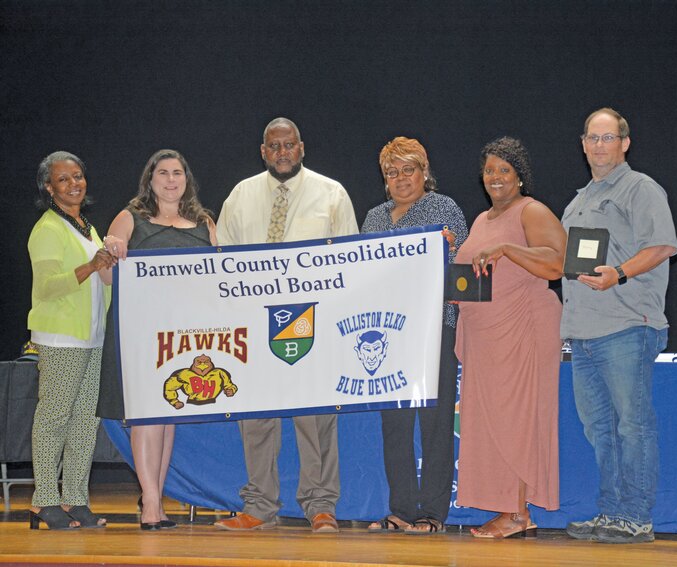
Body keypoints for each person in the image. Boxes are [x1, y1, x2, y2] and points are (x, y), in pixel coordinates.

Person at [214, 117, 357, 533]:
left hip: (312, 322)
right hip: (253, 325)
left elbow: (349, 262)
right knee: (256, 418)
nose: (282, 152)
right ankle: (259, 505)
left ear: (302, 147)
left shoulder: (331, 194)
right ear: (263, 152)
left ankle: (321, 506)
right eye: (273, 146)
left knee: (315, 420)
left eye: (288, 145)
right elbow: (222, 262)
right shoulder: (241, 195)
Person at [561, 108, 677, 544]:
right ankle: (611, 511)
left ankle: (636, 516)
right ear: (583, 143)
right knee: (600, 429)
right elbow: (563, 259)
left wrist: (620, 273)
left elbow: (664, 245)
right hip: (583, 331)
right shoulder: (579, 200)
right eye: (592, 137)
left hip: (627, 324)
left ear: (625, 143)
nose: (599, 145)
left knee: (633, 424)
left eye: (608, 138)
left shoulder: (640, 188)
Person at [97, 149, 217, 530]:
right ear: (150, 180)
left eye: (177, 173)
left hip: (185, 336)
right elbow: (106, 277)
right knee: (148, 417)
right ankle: (150, 504)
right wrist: (109, 255)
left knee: (167, 417)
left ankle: (156, 499)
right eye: (162, 173)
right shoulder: (130, 219)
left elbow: (220, 278)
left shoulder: (203, 223)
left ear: (187, 180)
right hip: (141, 333)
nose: (170, 180)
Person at [454, 137, 565, 539]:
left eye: (504, 169)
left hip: (523, 332)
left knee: (518, 421)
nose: (495, 177)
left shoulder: (531, 211)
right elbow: (475, 274)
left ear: (520, 175)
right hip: (486, 339)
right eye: (489, 170)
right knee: (491, 424)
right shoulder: (482, 220)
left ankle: (518, 514)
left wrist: (508, 249)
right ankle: (509, 508)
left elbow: (557, 263)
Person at [361, 137, 468, 535]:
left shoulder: (444, 209)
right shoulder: (373, 218)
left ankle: (433, 513)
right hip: (387, 333)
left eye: (409, 169)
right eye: (392, 172)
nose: (401, 178)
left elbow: (462, 267)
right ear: (384, 180)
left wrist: (447, 250)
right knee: (396, 424)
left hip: (435, 327)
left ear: (425, 172)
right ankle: (402, 508)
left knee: (436, 422)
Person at [27, 151, 115, 530]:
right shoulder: (47, 228)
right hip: (61, 338)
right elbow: (46, 287)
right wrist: (91, 266)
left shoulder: (85, 227)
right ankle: (43, 500)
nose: (74, 184)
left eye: (78, 176)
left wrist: (105, 266)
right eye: (63, 179)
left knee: (85, 422)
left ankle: (75, 499)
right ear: (49, 187)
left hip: (91, 338)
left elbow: (98, 278)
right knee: (54, 419)